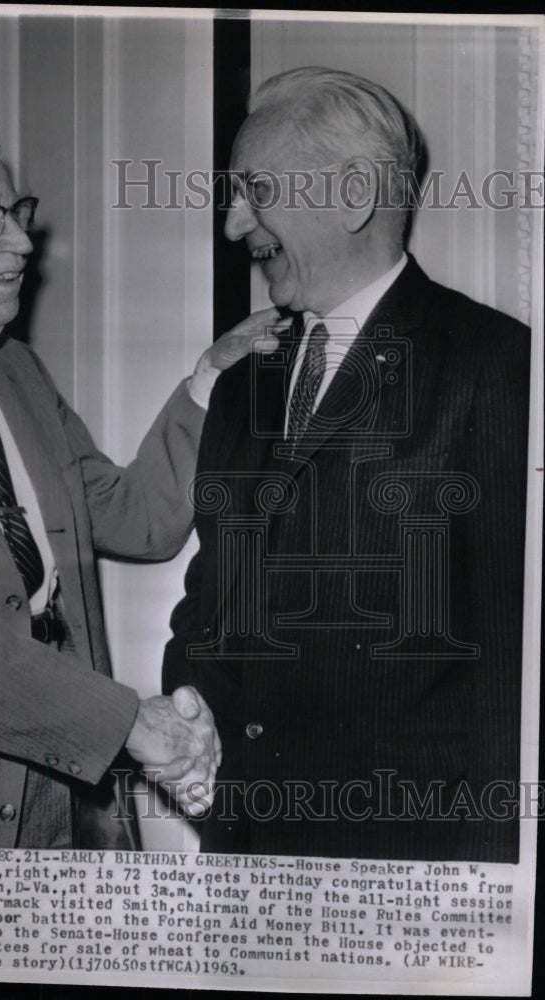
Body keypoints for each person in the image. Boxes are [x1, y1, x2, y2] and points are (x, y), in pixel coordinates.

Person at [0, 125, 279, 848]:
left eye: (16, 214)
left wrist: (209, 378)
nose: (24, 244)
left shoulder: (16, 371)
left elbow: (136, 518)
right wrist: (127, 724)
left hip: (73, 811)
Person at [162, 67, 530, 862]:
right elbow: (208, 603)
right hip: (244, 859)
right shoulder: (241, 386)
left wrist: (489, 904)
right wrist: (187, 721)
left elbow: (513, 671)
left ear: (355, 194)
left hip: (411, 876)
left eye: (254, 189)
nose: (233, 226)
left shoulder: (494, 367)